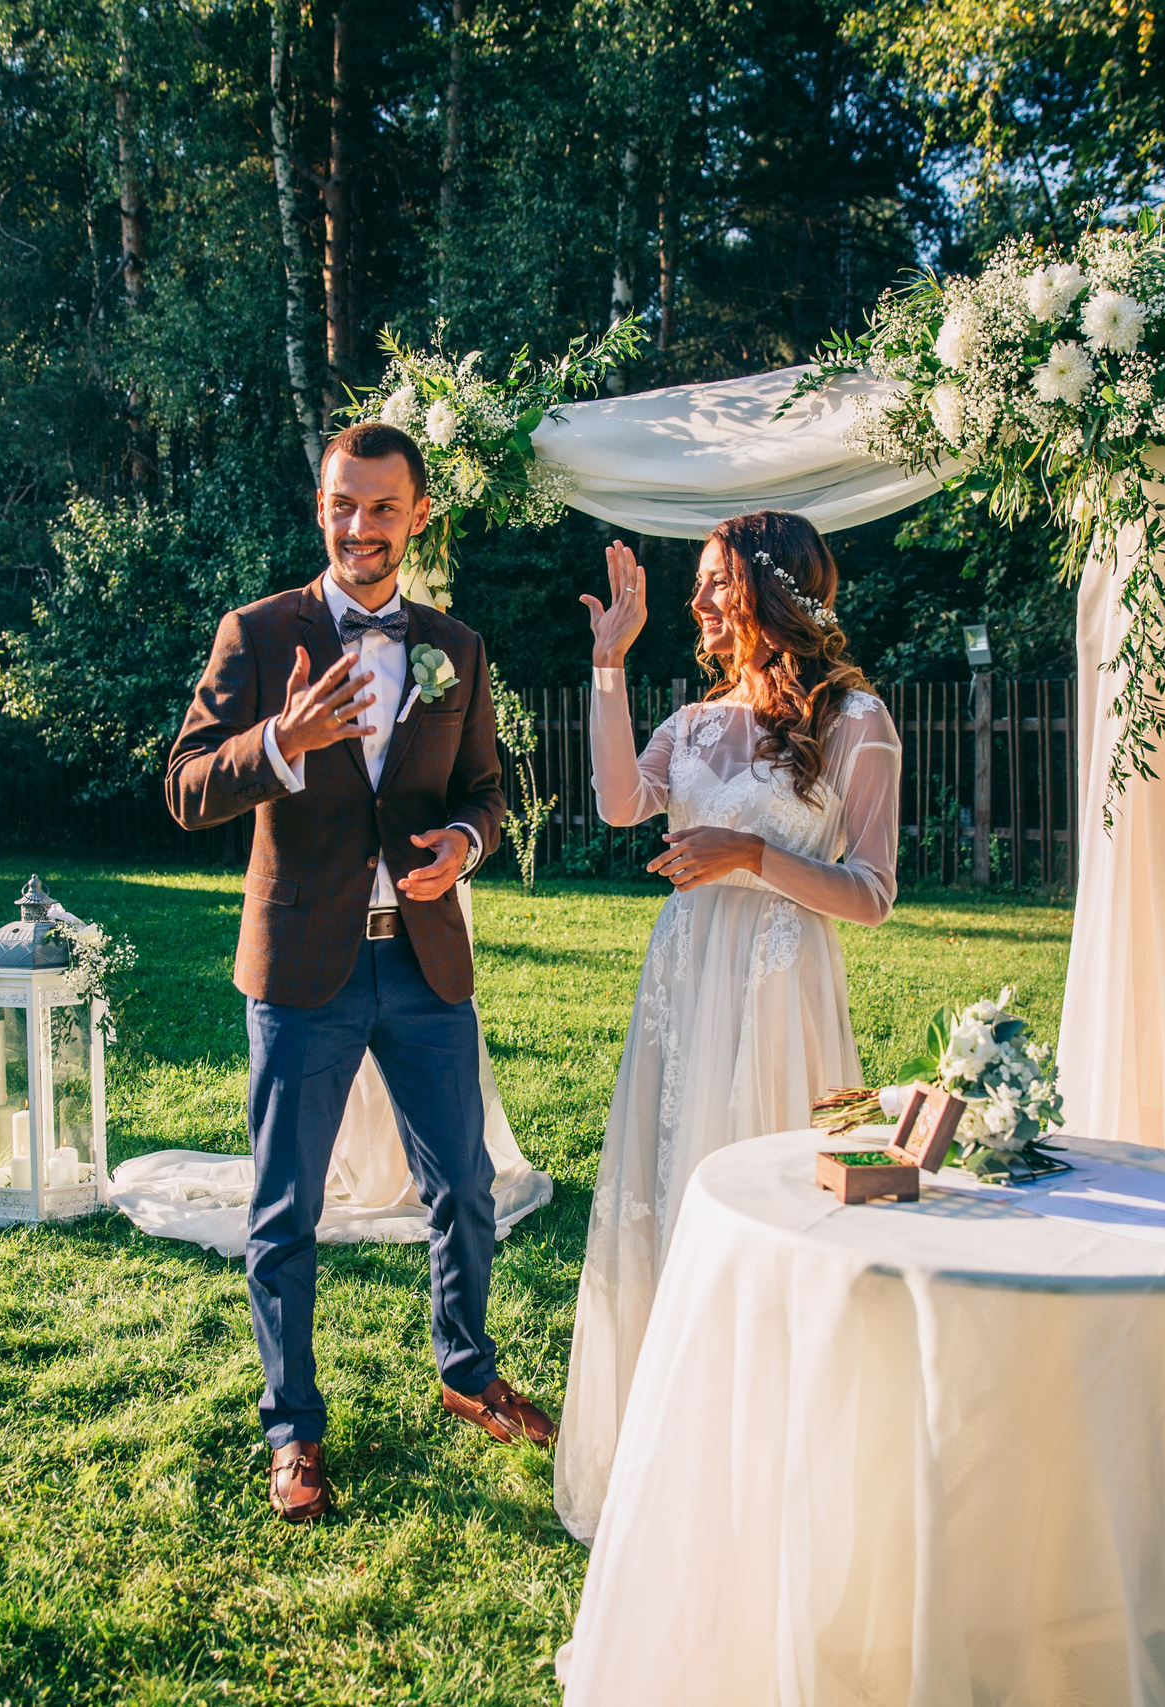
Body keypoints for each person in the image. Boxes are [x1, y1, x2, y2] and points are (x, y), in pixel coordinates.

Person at [166, 420, 559, 1526]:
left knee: (466, 1190)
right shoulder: (258, 631)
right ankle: (292, 1432)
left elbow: (485, 788)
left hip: (427, 967)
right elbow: (186, 786)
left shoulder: (455, 648)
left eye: (382, 507)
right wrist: (281, 743)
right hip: (303, 971)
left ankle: (467, 1370)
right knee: (286, 1209)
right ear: (321, 505)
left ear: (417, 515)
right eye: (343, 503)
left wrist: (467, 847)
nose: (359, 526)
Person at [552, 509, 903, 1543]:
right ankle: (676, 1458)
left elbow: (872, 892)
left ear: (769, 590)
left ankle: (779, 1465)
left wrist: (748, 857)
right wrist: (607, 665)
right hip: (684, 988)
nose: (699, 602)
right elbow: (621, 803)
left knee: (776, 1208)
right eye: (699, 584)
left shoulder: (853, 718)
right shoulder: (695, 724)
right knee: (671, 1194)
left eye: (715, 582)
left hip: (779, 996)